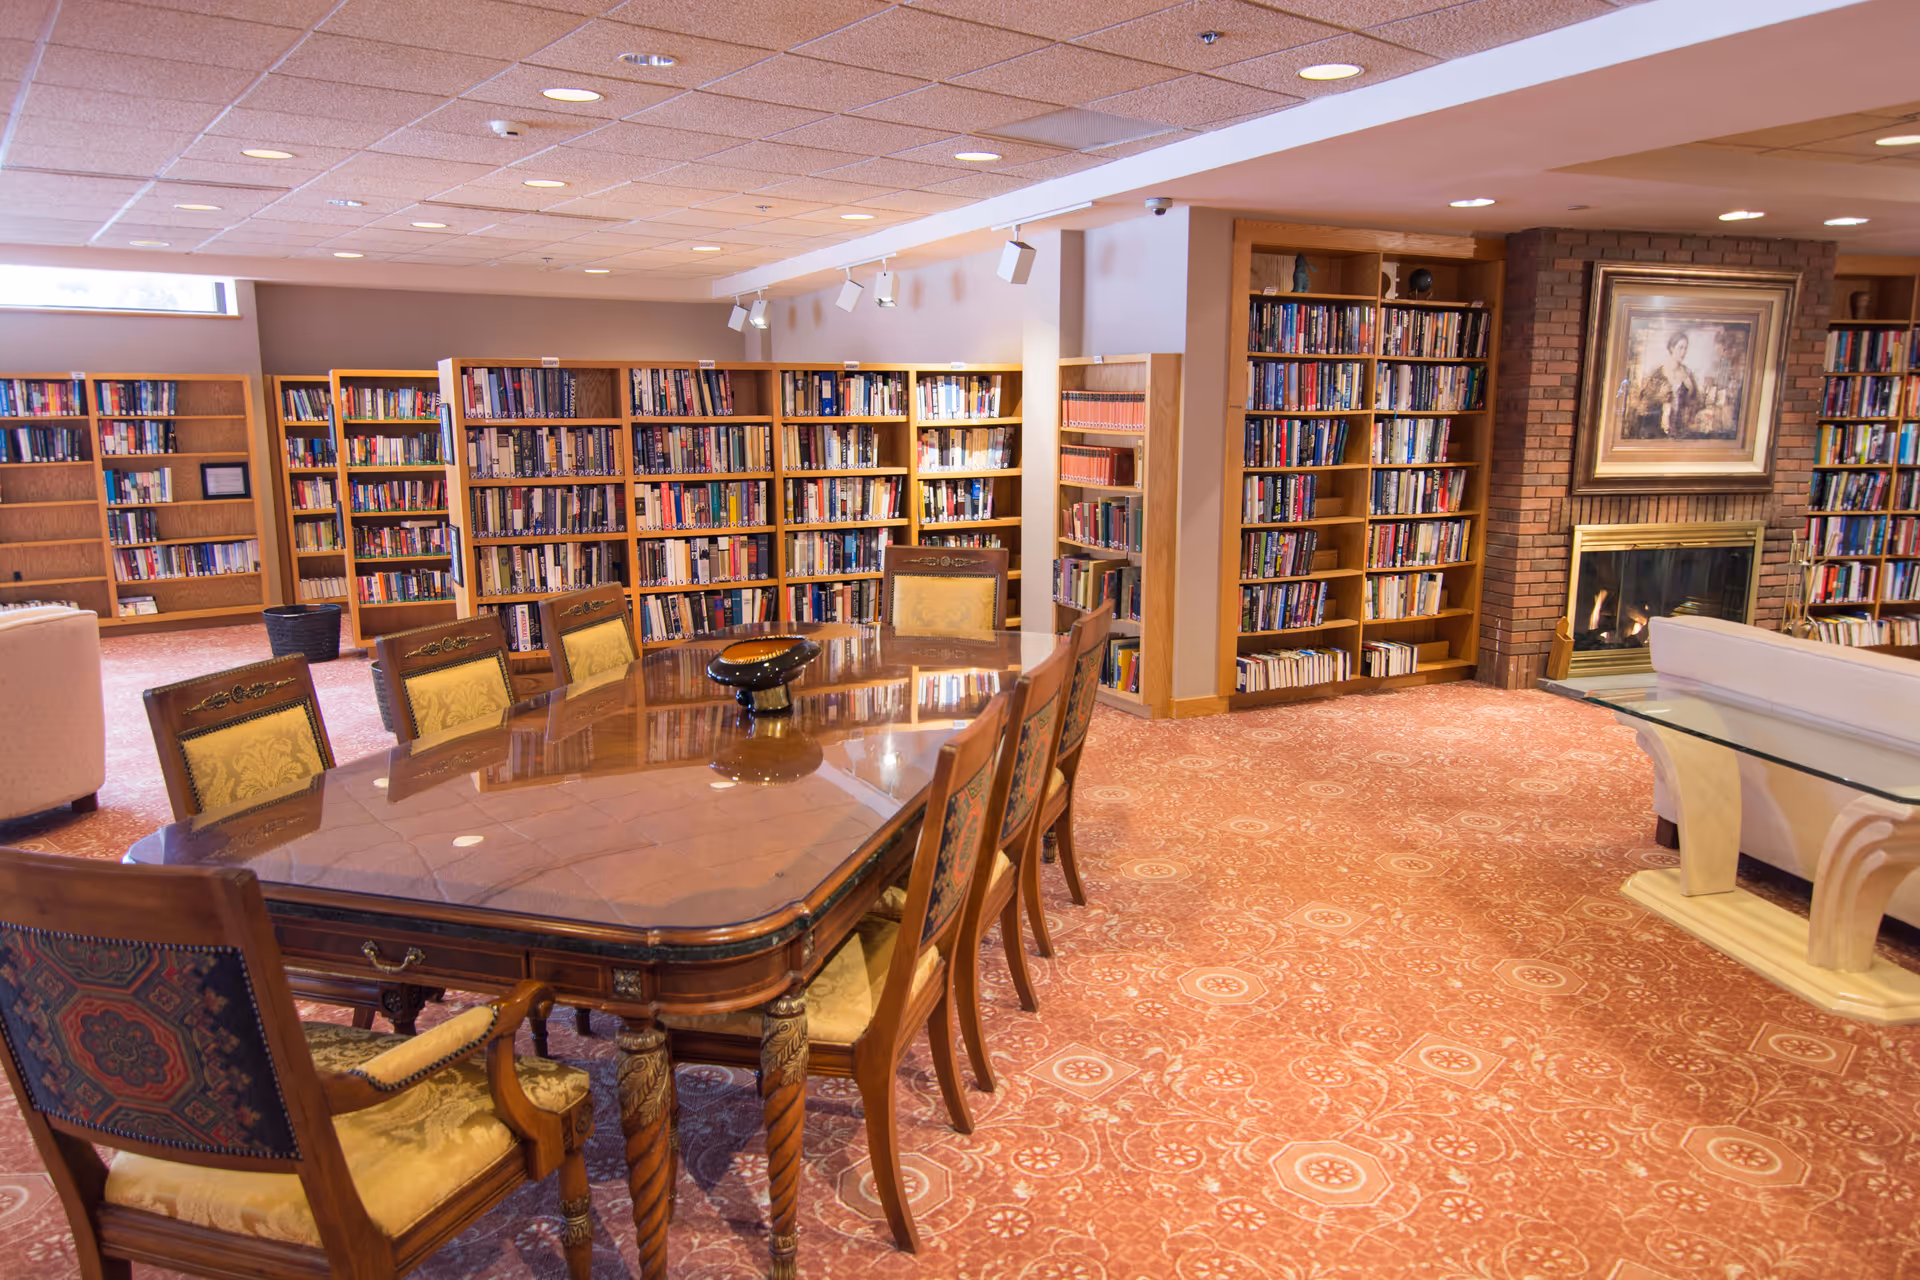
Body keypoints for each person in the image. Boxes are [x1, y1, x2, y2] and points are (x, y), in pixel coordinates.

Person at [1625, 329, 1702, 438]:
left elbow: (1694, 404)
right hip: (1657, 430)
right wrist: (1663, 401)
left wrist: (1691, 390)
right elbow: (1646, 404)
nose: (1683, 352)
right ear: (1671, 348)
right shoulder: (1659, 373)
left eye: (1685, 348)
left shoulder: (1688, 375)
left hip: (1680, 431)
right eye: (1680, 348)